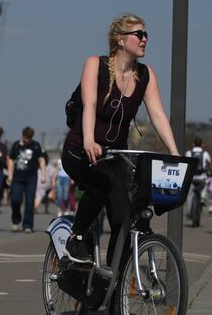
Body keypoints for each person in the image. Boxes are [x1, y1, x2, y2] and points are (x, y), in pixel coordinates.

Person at [61, 14, 180, 264]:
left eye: (146, 34)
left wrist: (174, 152)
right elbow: (90, 104)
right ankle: (76, 237)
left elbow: (158, 115)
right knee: (100, 181)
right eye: (139, 34)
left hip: (116, 156)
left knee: (125, 216)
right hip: (80, 150)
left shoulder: (145, 76)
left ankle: (114, 283)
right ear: (120, 40)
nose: (145, 39)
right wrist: (89, 141)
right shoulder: (96, 65)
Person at [7, 126, 45, 234]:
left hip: (31, 178)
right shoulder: (16, 145)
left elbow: (41, 160)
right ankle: (16, 220)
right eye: (25, 137)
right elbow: (10, 160)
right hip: (17, 178)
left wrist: (43, 175)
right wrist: (10, 175)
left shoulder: (36, 145)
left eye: (29, 138)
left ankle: (28, 225)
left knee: (29, 202)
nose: (27, 140)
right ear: (22, 135)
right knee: (15, 200)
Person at [185, 137, 211, 226]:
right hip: (201, 177)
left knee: (189, 196)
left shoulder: (189, 153)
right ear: (202, 144)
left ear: (193, 144)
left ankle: (189, 212)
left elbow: (186, 164)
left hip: (191, 178)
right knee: (205, 185)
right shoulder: (205, 154)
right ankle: (203, 198)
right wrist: (210, 172)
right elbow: (208, 164)